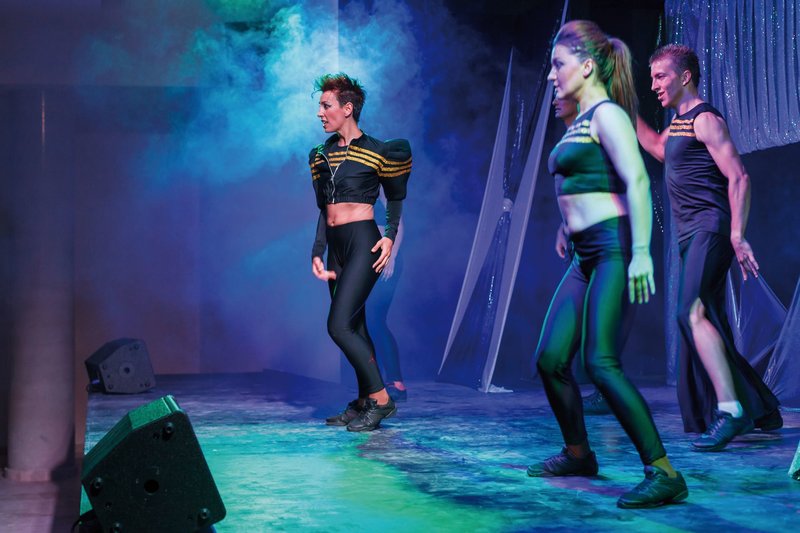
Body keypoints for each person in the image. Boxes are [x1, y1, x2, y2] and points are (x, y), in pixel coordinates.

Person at [527, 20, 688, 509]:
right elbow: (586, 181)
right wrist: (566, 226)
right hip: (583, 254)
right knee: (551, 359)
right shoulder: (579, 120)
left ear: (586, 66)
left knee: (599, 362)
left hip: (613, 249)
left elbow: (637, 180)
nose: (552, 75)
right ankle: (579, 453)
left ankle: (663, 471)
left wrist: (640, 253)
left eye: (558, 65)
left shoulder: (608, 115)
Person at [636, 44, 782, 450]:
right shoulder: (679, 125)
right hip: (689, 235)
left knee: (691, 312)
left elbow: (739, 177)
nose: (654, 85)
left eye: (661, 76)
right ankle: (762, 409)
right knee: (708, 323)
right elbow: (658, 148)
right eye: (652, 78)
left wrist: (737, 235)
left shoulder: (705, 119)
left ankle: (732, 411)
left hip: (710, 229)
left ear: (685, 77)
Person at [308, 73, 412, 431]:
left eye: (326, 106)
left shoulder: (380, 151)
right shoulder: (319, 155)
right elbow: (324, 209)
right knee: (354, 324)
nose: (320, 113)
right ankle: (365, 399)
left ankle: (381, 400)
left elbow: (395, 200)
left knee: (338, 325)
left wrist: (390, 237)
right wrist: (318, 250)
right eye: (320, 106)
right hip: (335, 247)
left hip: (364, 242)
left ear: (348, 108)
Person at [552, 95, 613, 417]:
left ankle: (607, 393)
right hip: (581, 244)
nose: (554, 99)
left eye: (561, 93)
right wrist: (564, 227)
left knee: (598, 325)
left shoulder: (598, 129)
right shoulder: (570, 137)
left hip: (606, 243)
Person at [367, 193, 408, 402]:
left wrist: (391, 255)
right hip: (367, 261)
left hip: (385, 259)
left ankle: (396, 382)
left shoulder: (382, 185)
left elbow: (397, 222)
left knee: (375, 320)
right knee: (367, 323)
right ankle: (377, 382)